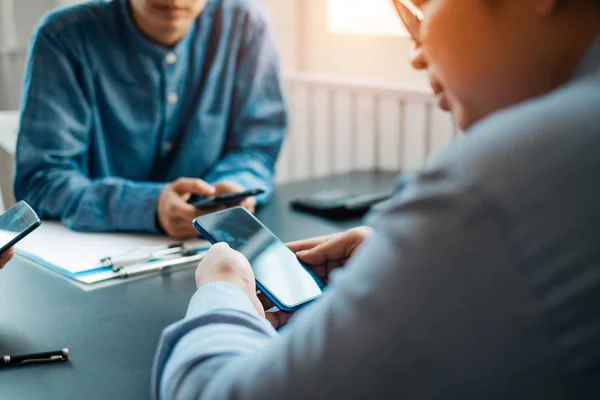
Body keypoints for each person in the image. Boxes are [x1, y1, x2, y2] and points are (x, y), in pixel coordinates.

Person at [153, 0, 600, 398]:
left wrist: (223, 290)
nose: (417, 54)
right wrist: (417, 268)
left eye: (424, 8)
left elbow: (209, 391)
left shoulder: (485, 189)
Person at [14, 0, 287, 239]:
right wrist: (148, 207)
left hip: (209, 250)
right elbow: (42, 180)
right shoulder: (64, 36)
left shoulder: (245, 24)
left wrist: (230, 189)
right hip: (94, 263)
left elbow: (256, 147)